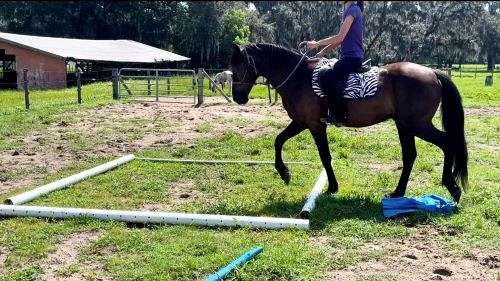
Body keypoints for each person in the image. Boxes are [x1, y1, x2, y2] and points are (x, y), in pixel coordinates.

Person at [306, 1, 364, 125]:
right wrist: (321, 52)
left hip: (352, 58)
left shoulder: (353, 10)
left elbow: (339, 37)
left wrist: (316, 44)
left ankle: (339, 115)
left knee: (327, 76)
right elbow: (339, 41)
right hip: (349, 57)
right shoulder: (347, 12)